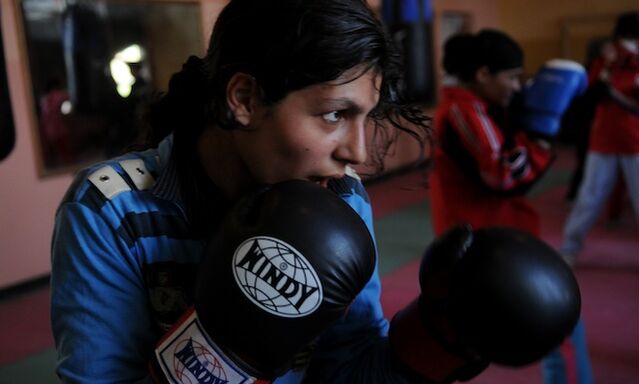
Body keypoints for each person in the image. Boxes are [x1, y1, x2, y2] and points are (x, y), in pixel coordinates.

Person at [50, 1, 580, 383]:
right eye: (334, 114)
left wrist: (437, 340)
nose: (355, 151)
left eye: (366, 118)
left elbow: (347, 368)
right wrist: (222, 355)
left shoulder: (340, 199)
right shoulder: (111, 210)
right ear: (244, 98)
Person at [429, 29, 594, 384]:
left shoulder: (480, 106)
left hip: (497, 236)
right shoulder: (463, 110)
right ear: (484, 74)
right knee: (557, 323)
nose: (518, 87)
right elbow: (503, 175)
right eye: (512, 77)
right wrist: (540, 135)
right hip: (489, 242)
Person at [561, 11, 639, 262]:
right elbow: (590, 93)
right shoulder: (605, 59)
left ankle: (569, 248)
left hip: (633, 139)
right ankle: (569, 248)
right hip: (604, 139)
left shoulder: (632, 60)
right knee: (589, 196)